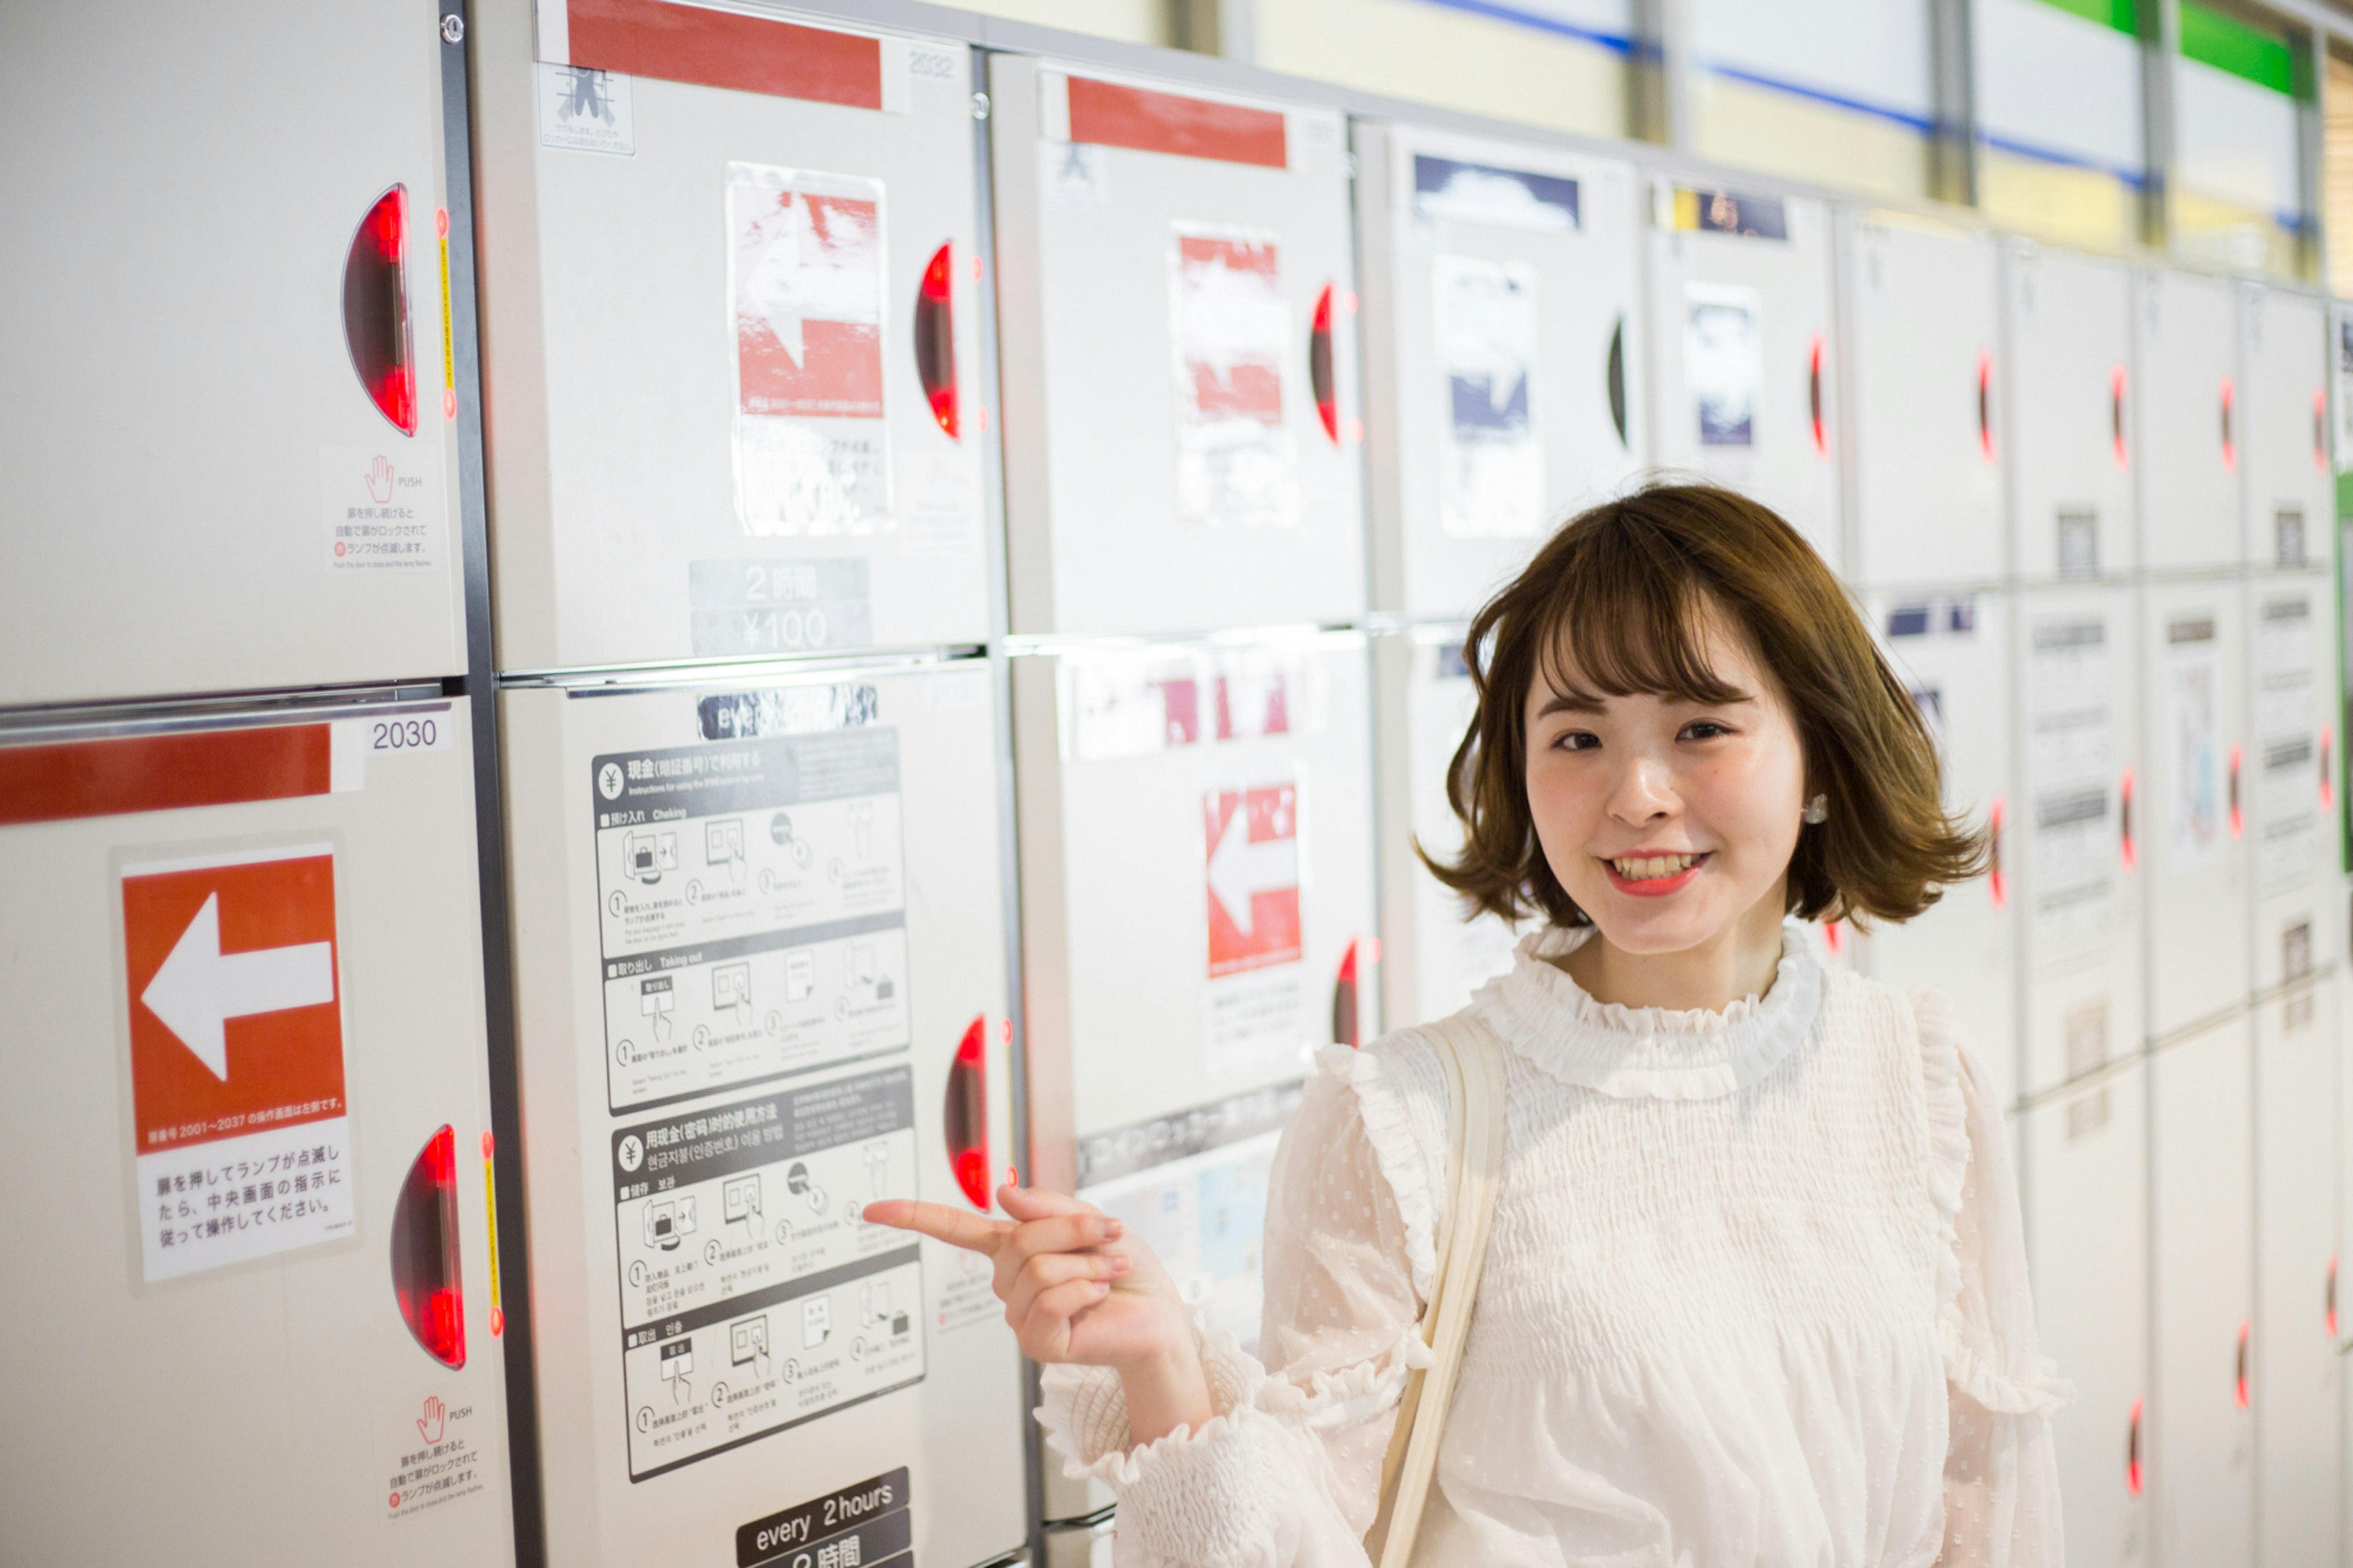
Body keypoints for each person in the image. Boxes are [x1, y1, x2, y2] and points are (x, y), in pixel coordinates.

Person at [871, 483, 2067, 1565]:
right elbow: (1309, 1541)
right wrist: (1164, 1368)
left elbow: (1991, 1513)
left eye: (1701, 727)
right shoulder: (1400, 1120)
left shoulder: (1917, 1079)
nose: (1636, 792)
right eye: (1578, 737)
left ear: (1819, 754)